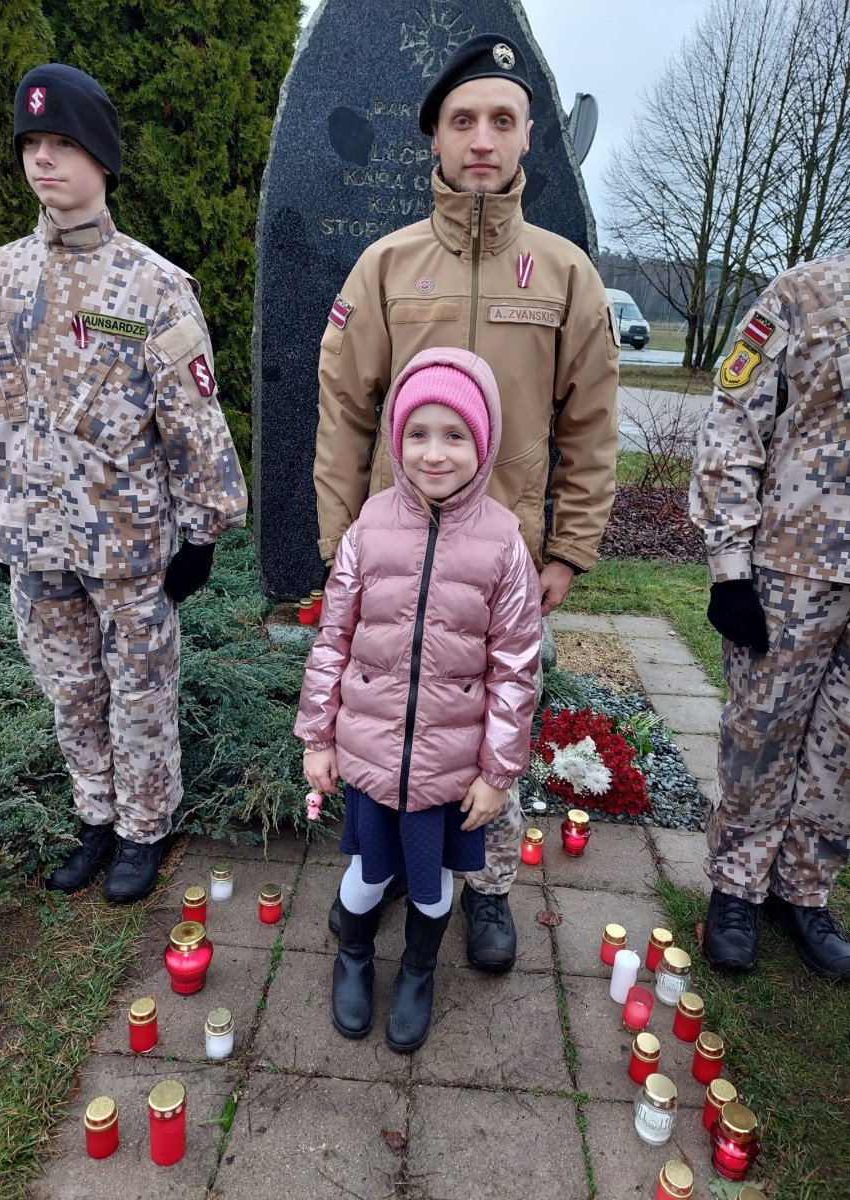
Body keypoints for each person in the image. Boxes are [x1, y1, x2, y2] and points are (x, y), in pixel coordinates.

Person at [313, 33, 619, 971]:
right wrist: (340, 545)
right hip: (394, 556)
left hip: (505, 567)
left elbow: (591, 426)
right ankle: (389, 872)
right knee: (392, 718)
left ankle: (485, 891)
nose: (481, 138)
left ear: (527, 137)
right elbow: (344, 410)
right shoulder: (386, 267)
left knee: (494, 723)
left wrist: (567, 550)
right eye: (462, 121)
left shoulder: (566, 275)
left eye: (501, 120)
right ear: (436, 139)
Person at [0, 64, 247, 903]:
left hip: (126, 539)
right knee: (71, 689)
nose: (43, 160)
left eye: (64, 143)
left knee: (140, 691)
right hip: (33, 533)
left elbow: (192, 415)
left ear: (103, 158)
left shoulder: (152, 285)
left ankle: (144, 829)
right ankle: (95, 816)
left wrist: (203, 532)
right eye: (31, 144)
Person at [296, 347, 541, 1051]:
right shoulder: (369, 527)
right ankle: (353, 956)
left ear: (483, 443)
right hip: (372, 755)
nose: (435, 453)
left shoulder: (504, 544)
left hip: (449, 767)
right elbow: (334, 639)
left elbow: (515, 668)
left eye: (455, 435)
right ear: (397, 440)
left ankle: (417, 972)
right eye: (418, 434)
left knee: (433, 886)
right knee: (367, 874)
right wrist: (318, 737)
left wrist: (497, 772)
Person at [690, 258, 850, 982]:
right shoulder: (803, 295)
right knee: (762, 732)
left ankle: (803, 890)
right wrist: (730, 570)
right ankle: (736, 887)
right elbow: (733, 425)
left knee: (843, 746)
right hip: (795, 566)